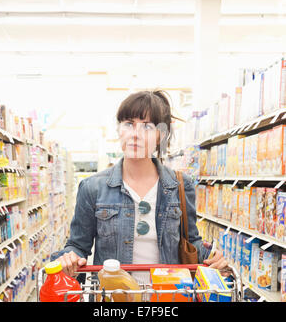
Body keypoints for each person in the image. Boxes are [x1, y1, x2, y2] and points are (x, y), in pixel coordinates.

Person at [51, 90, 228, 282]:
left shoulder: (180, 185)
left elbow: (191, 241)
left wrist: (212, 257)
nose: (135, 134)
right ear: (119, 130)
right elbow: (78, 245)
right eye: (128, 124)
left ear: (161, 136)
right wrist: (70, 257)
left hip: (166, 297)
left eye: (147, 127)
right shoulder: (92, 188)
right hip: (113, 297)